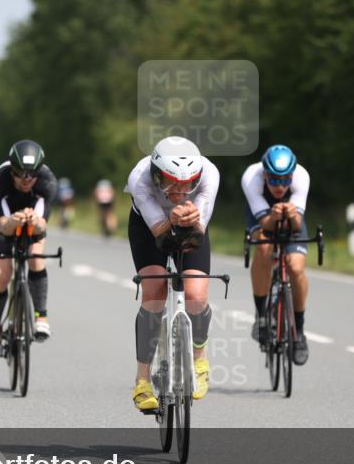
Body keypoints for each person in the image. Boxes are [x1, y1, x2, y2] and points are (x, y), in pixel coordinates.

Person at [126, 136, 220, 412]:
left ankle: (199, 359)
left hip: (191, 224)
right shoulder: (139, 177)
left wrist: (192, 221)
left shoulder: (210, 174)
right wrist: (171, 220)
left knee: (195, 294)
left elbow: (198, 233)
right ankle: (142, 380)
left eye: (189, 183)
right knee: (154, 291)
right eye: (171, 182)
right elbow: (160, 233)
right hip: (148, 226)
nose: (180, 190)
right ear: (156, 176)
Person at [0, 140, 58, 357]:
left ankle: (41, 317)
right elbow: (2, 226)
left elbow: (43, 224)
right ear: (12, 170)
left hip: (32, 219)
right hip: (3, 220)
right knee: (2, 273)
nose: (26, 180)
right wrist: (14, 222)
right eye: (19, 175)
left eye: (31, 175)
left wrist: (34, 222)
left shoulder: (48, 182)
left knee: (36, 258)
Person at [241, 144, 312, 365]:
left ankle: (299, 331)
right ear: (264, 175)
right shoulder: (251, 178)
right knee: (263, 246)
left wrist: (291, 215)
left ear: (292, 175)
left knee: (296, 267)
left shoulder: (301, 176)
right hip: (262, 216)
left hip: (292, 218)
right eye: (274, 180)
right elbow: (265, 225)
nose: (280, 186)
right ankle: (262, 317)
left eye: (285, 180)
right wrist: (273, 216)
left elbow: (298, 224)